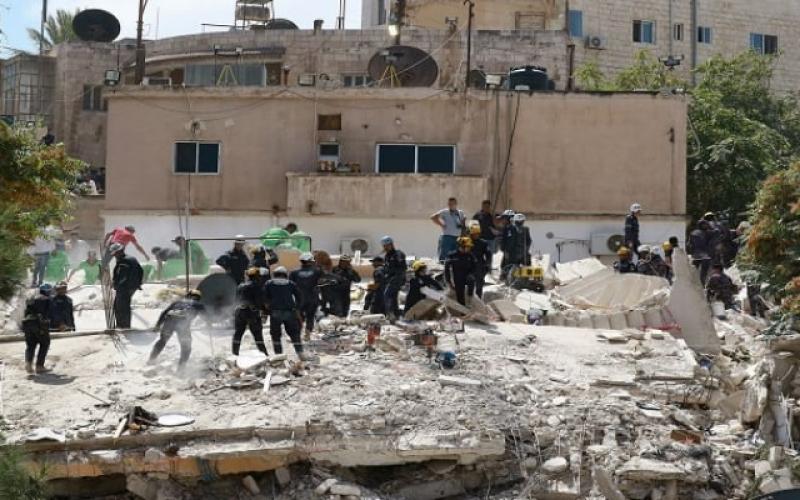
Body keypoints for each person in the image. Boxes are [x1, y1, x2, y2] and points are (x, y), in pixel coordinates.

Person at [148, 289, 205, 369]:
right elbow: (207, 316)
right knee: (186, 347)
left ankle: (151, 360)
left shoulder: (177, 302)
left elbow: (164, 312)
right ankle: (181, 369)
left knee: (162, 341)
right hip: (183, 325)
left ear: (187, 296)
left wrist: (157, 325)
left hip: (169, 323)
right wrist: (209, 324)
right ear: (198, 298)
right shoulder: (198, 305)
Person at [264, 266, 305, 357]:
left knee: (275, 335)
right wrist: (297, 308)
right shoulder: (291, 283)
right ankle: (300, 353)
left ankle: (279, 355)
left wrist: (267, 309)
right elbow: (300, 297)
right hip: (289, 312)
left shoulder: (269, 283)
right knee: (294, 334)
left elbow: (264, 298)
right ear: (285, 274)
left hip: (275, 312)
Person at [232, 268, 269, 356]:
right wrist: (265, 311)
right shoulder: (257, 286)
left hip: (239, 312)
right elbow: (260, 301)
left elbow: (235, 300)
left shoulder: (240, 286)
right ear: (257, 276)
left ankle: (235, 354)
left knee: (238, 334)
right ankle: (264, 354)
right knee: (257, 335)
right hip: (252, 313)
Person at [110, 243, 144, 329]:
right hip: (132, 286)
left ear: (119, 252)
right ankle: (124, 325)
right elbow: (141, 271)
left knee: (121, 306)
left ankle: (123, 326)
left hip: (125, 287)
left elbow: (123, 276)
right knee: (122, 305)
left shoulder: (124, 261)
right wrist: (138, 283)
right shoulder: (131, 258)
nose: (114, 256)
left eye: (115, 253)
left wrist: (116, 285)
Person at [22, 285, 53, 374]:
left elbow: (26, 312)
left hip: (27, 323)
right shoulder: (47, 299)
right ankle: (39, 366)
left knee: (31, 345)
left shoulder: (31, 298)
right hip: (38, 323)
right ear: (47, 291)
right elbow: (49, 313)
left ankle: (28, 364)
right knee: (45, 343)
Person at [290, 252, 322, 338]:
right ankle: (307, 334)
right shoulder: (317, 272)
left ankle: (297, 334)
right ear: (310, 261)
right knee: (310, 317)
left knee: (299, 317)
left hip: (299, 300)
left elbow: (290, 287)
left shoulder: (294, 272)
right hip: (313, 299)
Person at [430, 197, 467, 263]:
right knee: (444, 256)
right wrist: (441, 224)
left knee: (456, 256)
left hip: (458, 238)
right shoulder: (445, 212)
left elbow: (463, 225)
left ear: (456, 204)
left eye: (453, 204)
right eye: (449, 204)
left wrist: (463, 236)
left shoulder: (460, 212)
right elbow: (433, 217)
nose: (451, 205)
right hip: (447, 237)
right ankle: (442, 266)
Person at [445, 237, 478, 306]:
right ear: (462, 246)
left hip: (467, 276)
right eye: (467, 247)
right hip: (457, 278)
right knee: (460, 295)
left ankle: (470, 297)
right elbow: (447, 269)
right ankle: (462, 309)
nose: (469, 248)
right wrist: (449, 281)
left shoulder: (470, 255)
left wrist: (472, 274)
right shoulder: (452, 255)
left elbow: (475, 267)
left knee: (471, 279)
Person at [381, 236, 407, 321]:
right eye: (384, 246)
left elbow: (402, 268)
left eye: (387, 245)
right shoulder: (387, 256)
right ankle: (396, 314)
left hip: (397, 278)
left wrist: (399, 278)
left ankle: (390, 314)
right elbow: (386, 268)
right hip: (390, 279)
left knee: (387, 294)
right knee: (393, 296)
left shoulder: (398, 254)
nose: (385, 247)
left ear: (391, 244)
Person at [469, 225, 493, 298]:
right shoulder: (467, 242)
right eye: (474, 234)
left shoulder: (483, 243)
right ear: (471, 234)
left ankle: (478, 299)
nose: (476, 235)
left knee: (479, 285)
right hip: (468, 265)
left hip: (480, 265)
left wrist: (488, 264)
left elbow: (488, 254)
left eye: (477, 234)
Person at [687, 220, 713, 284]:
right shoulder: (708, 232)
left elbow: (689, 244)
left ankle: (692, 282)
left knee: (694, 270)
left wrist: (691, 252)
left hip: (696, 255)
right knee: (703, 272)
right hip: (705, 255)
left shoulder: (693, 233)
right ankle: (702, 284)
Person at [499, 210, 519, 280]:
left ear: (509, 219)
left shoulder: (511, 228)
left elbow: (511, 241)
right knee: (504, 266)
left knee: (508, 266)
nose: (502, 220)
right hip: (508, 252)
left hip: (511, 253)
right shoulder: (507, 228)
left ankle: (509, 280)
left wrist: (507, 251)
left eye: (504, 218)